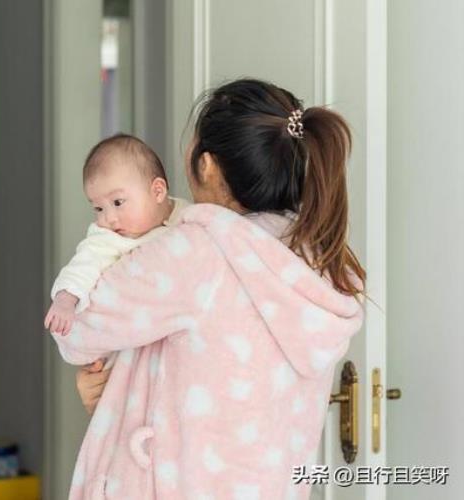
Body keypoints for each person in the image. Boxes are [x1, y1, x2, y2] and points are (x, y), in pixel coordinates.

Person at [50, 78, 366, 499]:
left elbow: (75, 333)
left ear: (208, 166)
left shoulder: (195, 254)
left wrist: (108, 388)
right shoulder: (318, 261)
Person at [44, 133, 189, 361]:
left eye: (117, 203)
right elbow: (83, 266)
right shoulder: (107, 238)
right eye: (98, 208)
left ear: (158, 191)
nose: (109, 218)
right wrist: (65, 300)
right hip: (127, 347)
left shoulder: (187, 216)